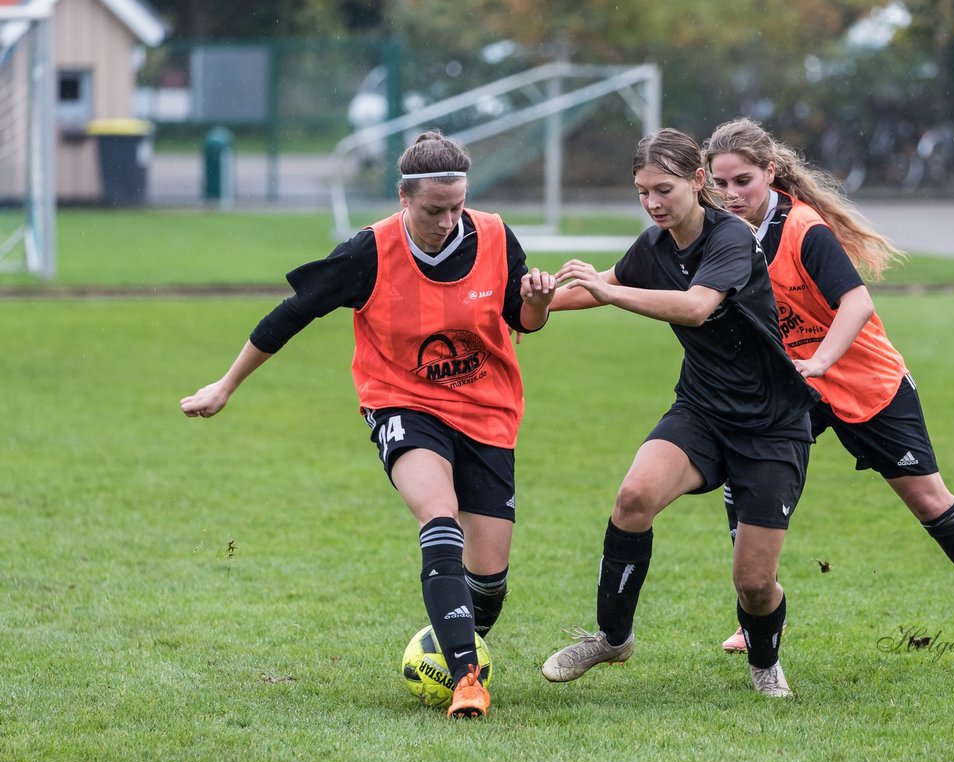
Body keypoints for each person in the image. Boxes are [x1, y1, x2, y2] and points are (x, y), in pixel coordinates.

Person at [179, 131, 557, 716]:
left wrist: (536, 299)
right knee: (438, 516)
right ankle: (466, 680)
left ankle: (457, 640)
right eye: (434, 210)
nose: (448, 221)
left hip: (488, 412)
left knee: (489, 581)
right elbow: (292, 314)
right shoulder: (369, 252)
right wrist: (225, 384)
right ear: (404, 198)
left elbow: (523, 322)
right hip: (402, 402)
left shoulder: (495, 235)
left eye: (457, 206)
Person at [704, 117, 954, 671]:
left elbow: (858, 304)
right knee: (743, 475)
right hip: (794, 384)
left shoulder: (804, 229)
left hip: (866, 381)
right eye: (719, 184)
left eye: (742, 181)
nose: (730, 195)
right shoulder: (721, 233)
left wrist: (820, 361)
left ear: (771, 173)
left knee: (930, 501)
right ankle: (757, 618)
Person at [539, 128, 821, 698]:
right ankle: (612, 638)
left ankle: (764, 663)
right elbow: (604, 285)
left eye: (663, 189)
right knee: (633, 498)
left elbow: (695, 307)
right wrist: (534, 299)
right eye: (642, 192)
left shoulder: (733, 238)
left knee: (755, 583)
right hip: (702, 410)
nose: (652, 203)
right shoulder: (654, 245)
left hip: (772, 425)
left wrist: (608, 292)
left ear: (697, 181)